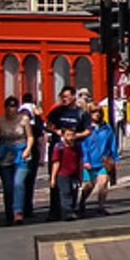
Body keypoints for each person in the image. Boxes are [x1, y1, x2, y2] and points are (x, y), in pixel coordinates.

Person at [44, 88, 90, 220]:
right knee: (56, 179)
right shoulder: (57, 111)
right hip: (58, 148)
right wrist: (57, 131)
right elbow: (48, 124)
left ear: (73, 97)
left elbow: (88, 131)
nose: (64, 99)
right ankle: (55, 212)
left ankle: (70, 208)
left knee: (73, 182)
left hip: (73, 149)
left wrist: (75, 136)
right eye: (62, 96)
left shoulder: (81, 113)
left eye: (66, 96)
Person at [0, 97, 33, 225]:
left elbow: (30, 137)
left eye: (13, 106)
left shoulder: (24, 119)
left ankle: (18, 212)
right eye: (8, 106)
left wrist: (27, 149)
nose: (11, 109)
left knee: (18, 183)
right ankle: (9, 213)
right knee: (8, 187)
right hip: (5, 155)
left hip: (21, 153)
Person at [78, 104, 119, 216]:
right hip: (89, 161)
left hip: (103, 161)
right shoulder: (86, 128)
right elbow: (83, 144)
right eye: (94, 112)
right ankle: (82, 202)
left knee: (103, 183)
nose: (97, 114)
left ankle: (101, 207)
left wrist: (115, 158)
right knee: (89, 185)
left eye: (99, 112)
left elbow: (113, 143)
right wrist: (85, 160)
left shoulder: (106, 128)